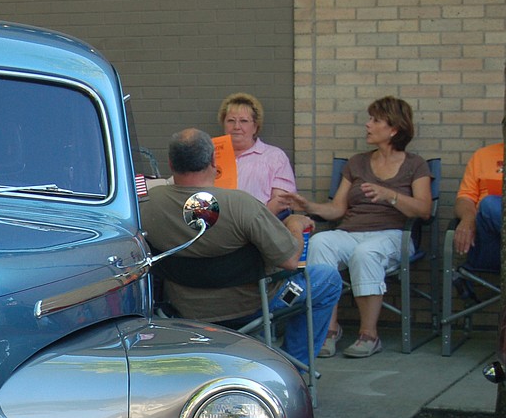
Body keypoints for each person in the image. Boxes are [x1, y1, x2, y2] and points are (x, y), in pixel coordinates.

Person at [141, 128, 341, 371]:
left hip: (183, 311)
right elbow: (290, 260)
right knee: (328, 279)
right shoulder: (242, 205)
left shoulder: (147, 205)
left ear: (171, 163)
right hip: (251, 309)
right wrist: (295, 226)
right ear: (214, 161)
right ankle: (292, 371)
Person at [283, 96, 432, 359]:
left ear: (394, 129)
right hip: (351, 232)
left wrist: (390, 196)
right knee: (320, 242)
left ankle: (369, 335)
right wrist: (309, 205)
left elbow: (424, 210)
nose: (367, 124)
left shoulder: (414, 164)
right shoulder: (357, 163)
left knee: (366, 253)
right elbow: (338, 209)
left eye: (375, 120)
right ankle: (328, 330)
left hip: (394, 234)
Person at [217, 92, 297, 216]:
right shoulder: (209, 155)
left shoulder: (274, 157)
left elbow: (281, 200)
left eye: (244, 121)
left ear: (255, 127)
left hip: (259, 224)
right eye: (231, 121)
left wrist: (254, 223)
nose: (236, 126)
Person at [451, 132, 504, 273]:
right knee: (490, 204)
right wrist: (468, 219)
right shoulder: (483, 156)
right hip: (490, 243)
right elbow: (465, 198)